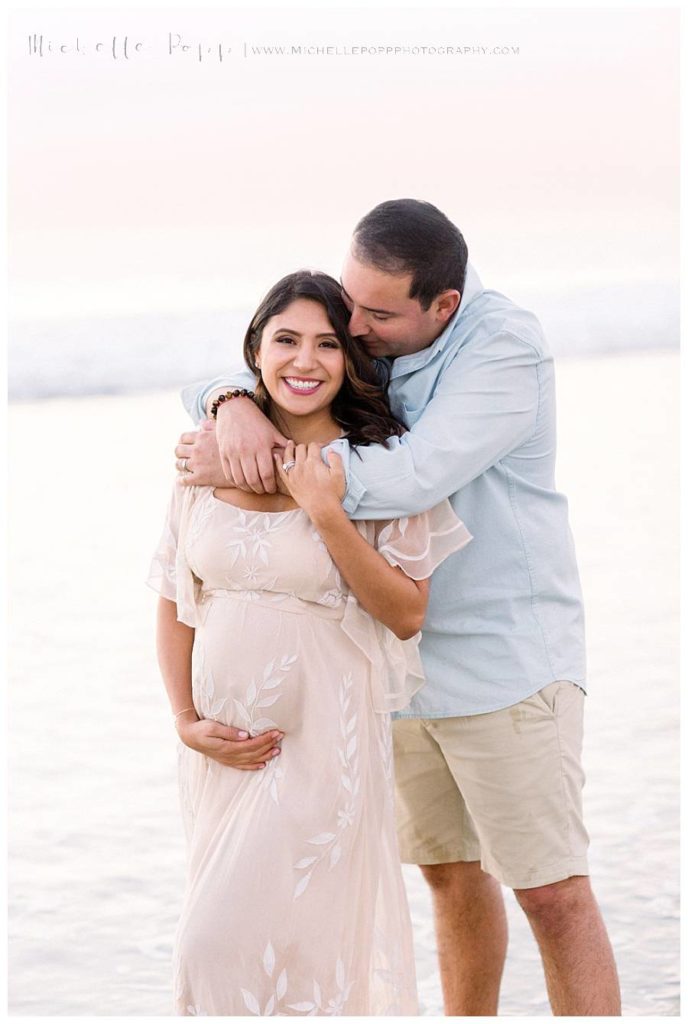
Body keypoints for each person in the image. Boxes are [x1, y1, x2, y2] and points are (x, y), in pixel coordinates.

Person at [176, 200, 622, 1016]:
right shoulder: (379, 328)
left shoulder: (502, 350)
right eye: (353, 304)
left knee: (553, 895)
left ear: (441, 306)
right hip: (390, 679)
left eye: (375, 314)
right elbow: (277, 355)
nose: (356, 328)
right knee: (451, 881)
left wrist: (253, 462)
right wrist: (224, 403)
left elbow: (412, 475)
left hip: (505, 668)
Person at [148, 269, 472, 1016]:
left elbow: (405, 613)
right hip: (221, 756)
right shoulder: (206, 457)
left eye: (328, 344)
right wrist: (185, 721)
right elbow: (174, 598)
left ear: (351, 362)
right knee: (246, 959)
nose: (305, 360)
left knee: (226, 947)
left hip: (324, 748)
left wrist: (324, 511)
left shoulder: (383, 465)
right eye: (286, 339)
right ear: (255, 350)